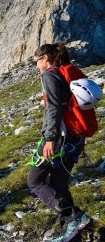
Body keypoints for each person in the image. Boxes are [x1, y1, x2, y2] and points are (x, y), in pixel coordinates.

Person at [28, 43, 92, 242]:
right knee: (58, 184)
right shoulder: (66, 74)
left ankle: (76, 217)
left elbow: (54, 108)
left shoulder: (50, 75)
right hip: (75, 138)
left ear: (45, 58)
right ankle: (72, 234)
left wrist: (49, 139)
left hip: (60, 139)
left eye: (37, 61)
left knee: (35, 180)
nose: (36, 65)